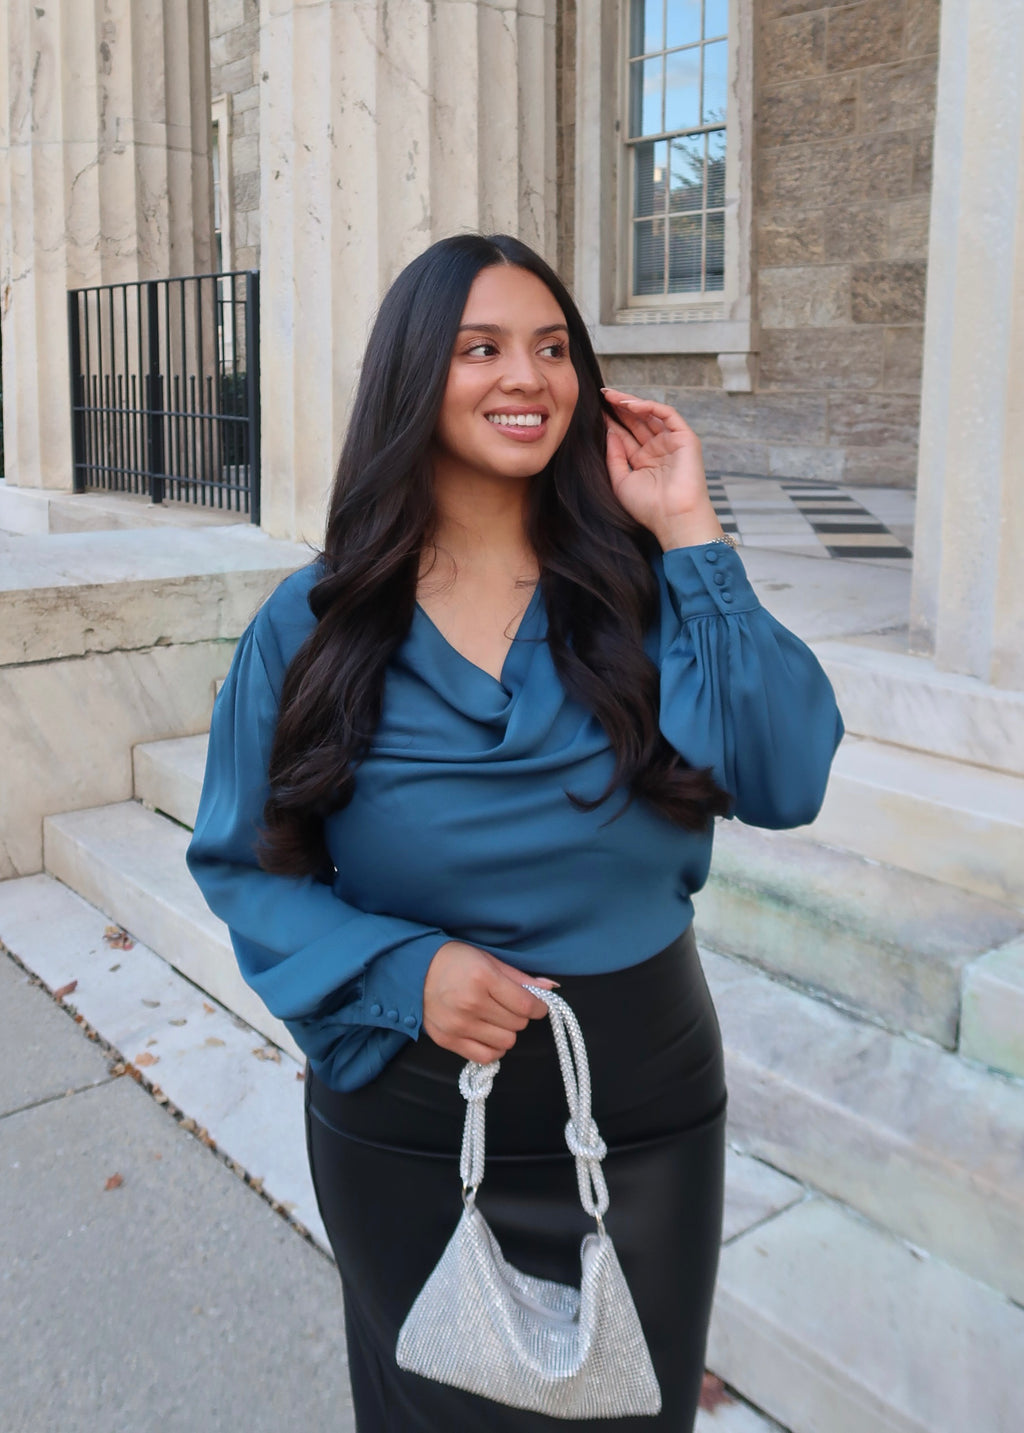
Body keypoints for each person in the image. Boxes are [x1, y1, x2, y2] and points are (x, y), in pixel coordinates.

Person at [187, 232, 843, 1431]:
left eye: (551, 349)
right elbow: (241, 866)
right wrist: (403, 969)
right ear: (410, 379)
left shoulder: (647, 592)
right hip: (412, 1115)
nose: (524, 377)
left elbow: (787, 773)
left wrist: (690, 526)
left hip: (645, 1104)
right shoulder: (313, 625)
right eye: (479, 348)